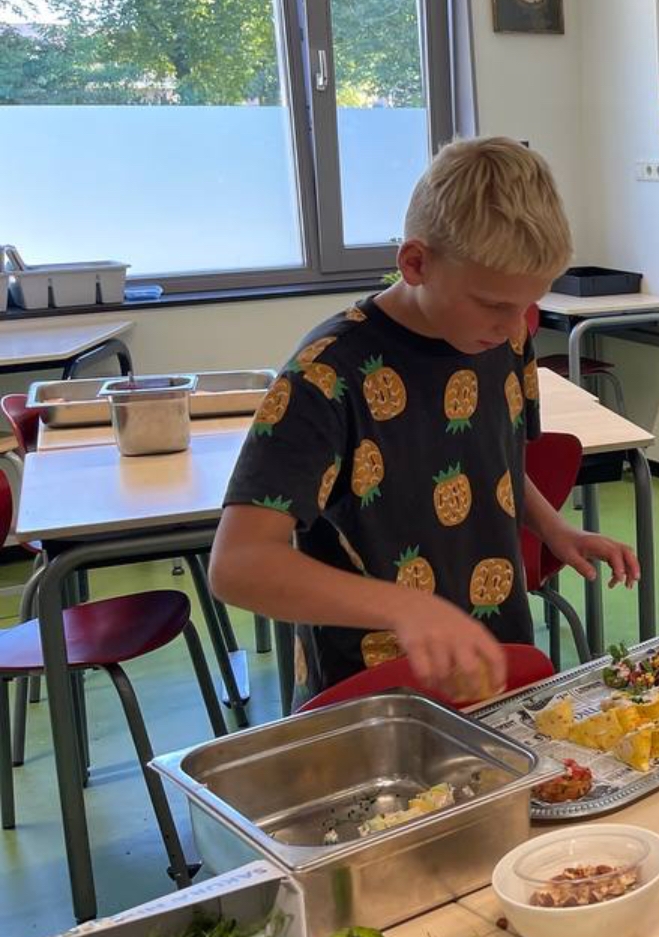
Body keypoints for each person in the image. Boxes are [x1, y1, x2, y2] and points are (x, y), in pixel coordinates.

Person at [211, 137, 637, 699]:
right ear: (415, 263)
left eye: (527, 305)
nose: (515, 326)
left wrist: (554, 529)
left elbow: (493, 459)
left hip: (489, 657)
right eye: (493, 303)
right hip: (370, 687)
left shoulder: (502, 339)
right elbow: (238, 564)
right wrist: (406, 608)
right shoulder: (326, 376)